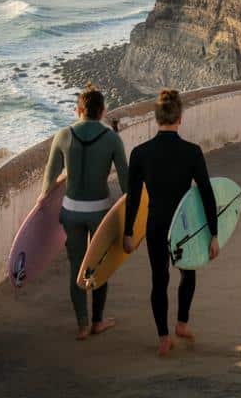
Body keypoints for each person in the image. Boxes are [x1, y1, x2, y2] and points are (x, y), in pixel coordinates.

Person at [122, 89, 218, 357]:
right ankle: (182, 323)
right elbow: (207, 194)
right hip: (184, 226)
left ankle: (163, 337)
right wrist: (214, 233)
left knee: (159, 280)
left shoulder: (140, 153)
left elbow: (133, 198)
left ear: (156, 118)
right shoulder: (192, 152)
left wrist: (128, 232)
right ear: (180, 118)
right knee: (188, 272)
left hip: (156, 225)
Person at [41, 84, 128, 340]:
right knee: (100, 266)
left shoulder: (63, 135)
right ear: (102, 112)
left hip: (71, 212)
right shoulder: (112, 138)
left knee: (76, 268)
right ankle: (98, 321)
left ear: (78, 110)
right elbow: (126, 181)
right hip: (100, 213)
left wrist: (42, 200)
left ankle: (81, 325)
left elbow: (50, 176)